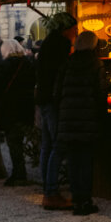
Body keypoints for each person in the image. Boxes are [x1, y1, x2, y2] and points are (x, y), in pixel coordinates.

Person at [51, 31, 105, 215]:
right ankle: (86, 200)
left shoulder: (67, 63)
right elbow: (100, 93)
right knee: (86, 161)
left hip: (68, 121)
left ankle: (76, 200)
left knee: (73, 161)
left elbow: (56, 93)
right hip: (88, 120)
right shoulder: (95, 64)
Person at [35, 12, 76, 209]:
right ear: (66, 29)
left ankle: (48, 189)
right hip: (53, 100)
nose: (75, 32)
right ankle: (51, 193)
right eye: (73, 29)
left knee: (48, 145)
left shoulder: (48, 42)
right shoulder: (61, 44)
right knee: (58, 144)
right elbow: (62, 74)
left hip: (43, 98)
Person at [0, 39, 36, 186]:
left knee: (13, 142)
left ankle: (19, 173)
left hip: (10, 108)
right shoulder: (28, 63)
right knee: (20, 140)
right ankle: (20, 171)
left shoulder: (4, 65)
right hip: (26, 107)